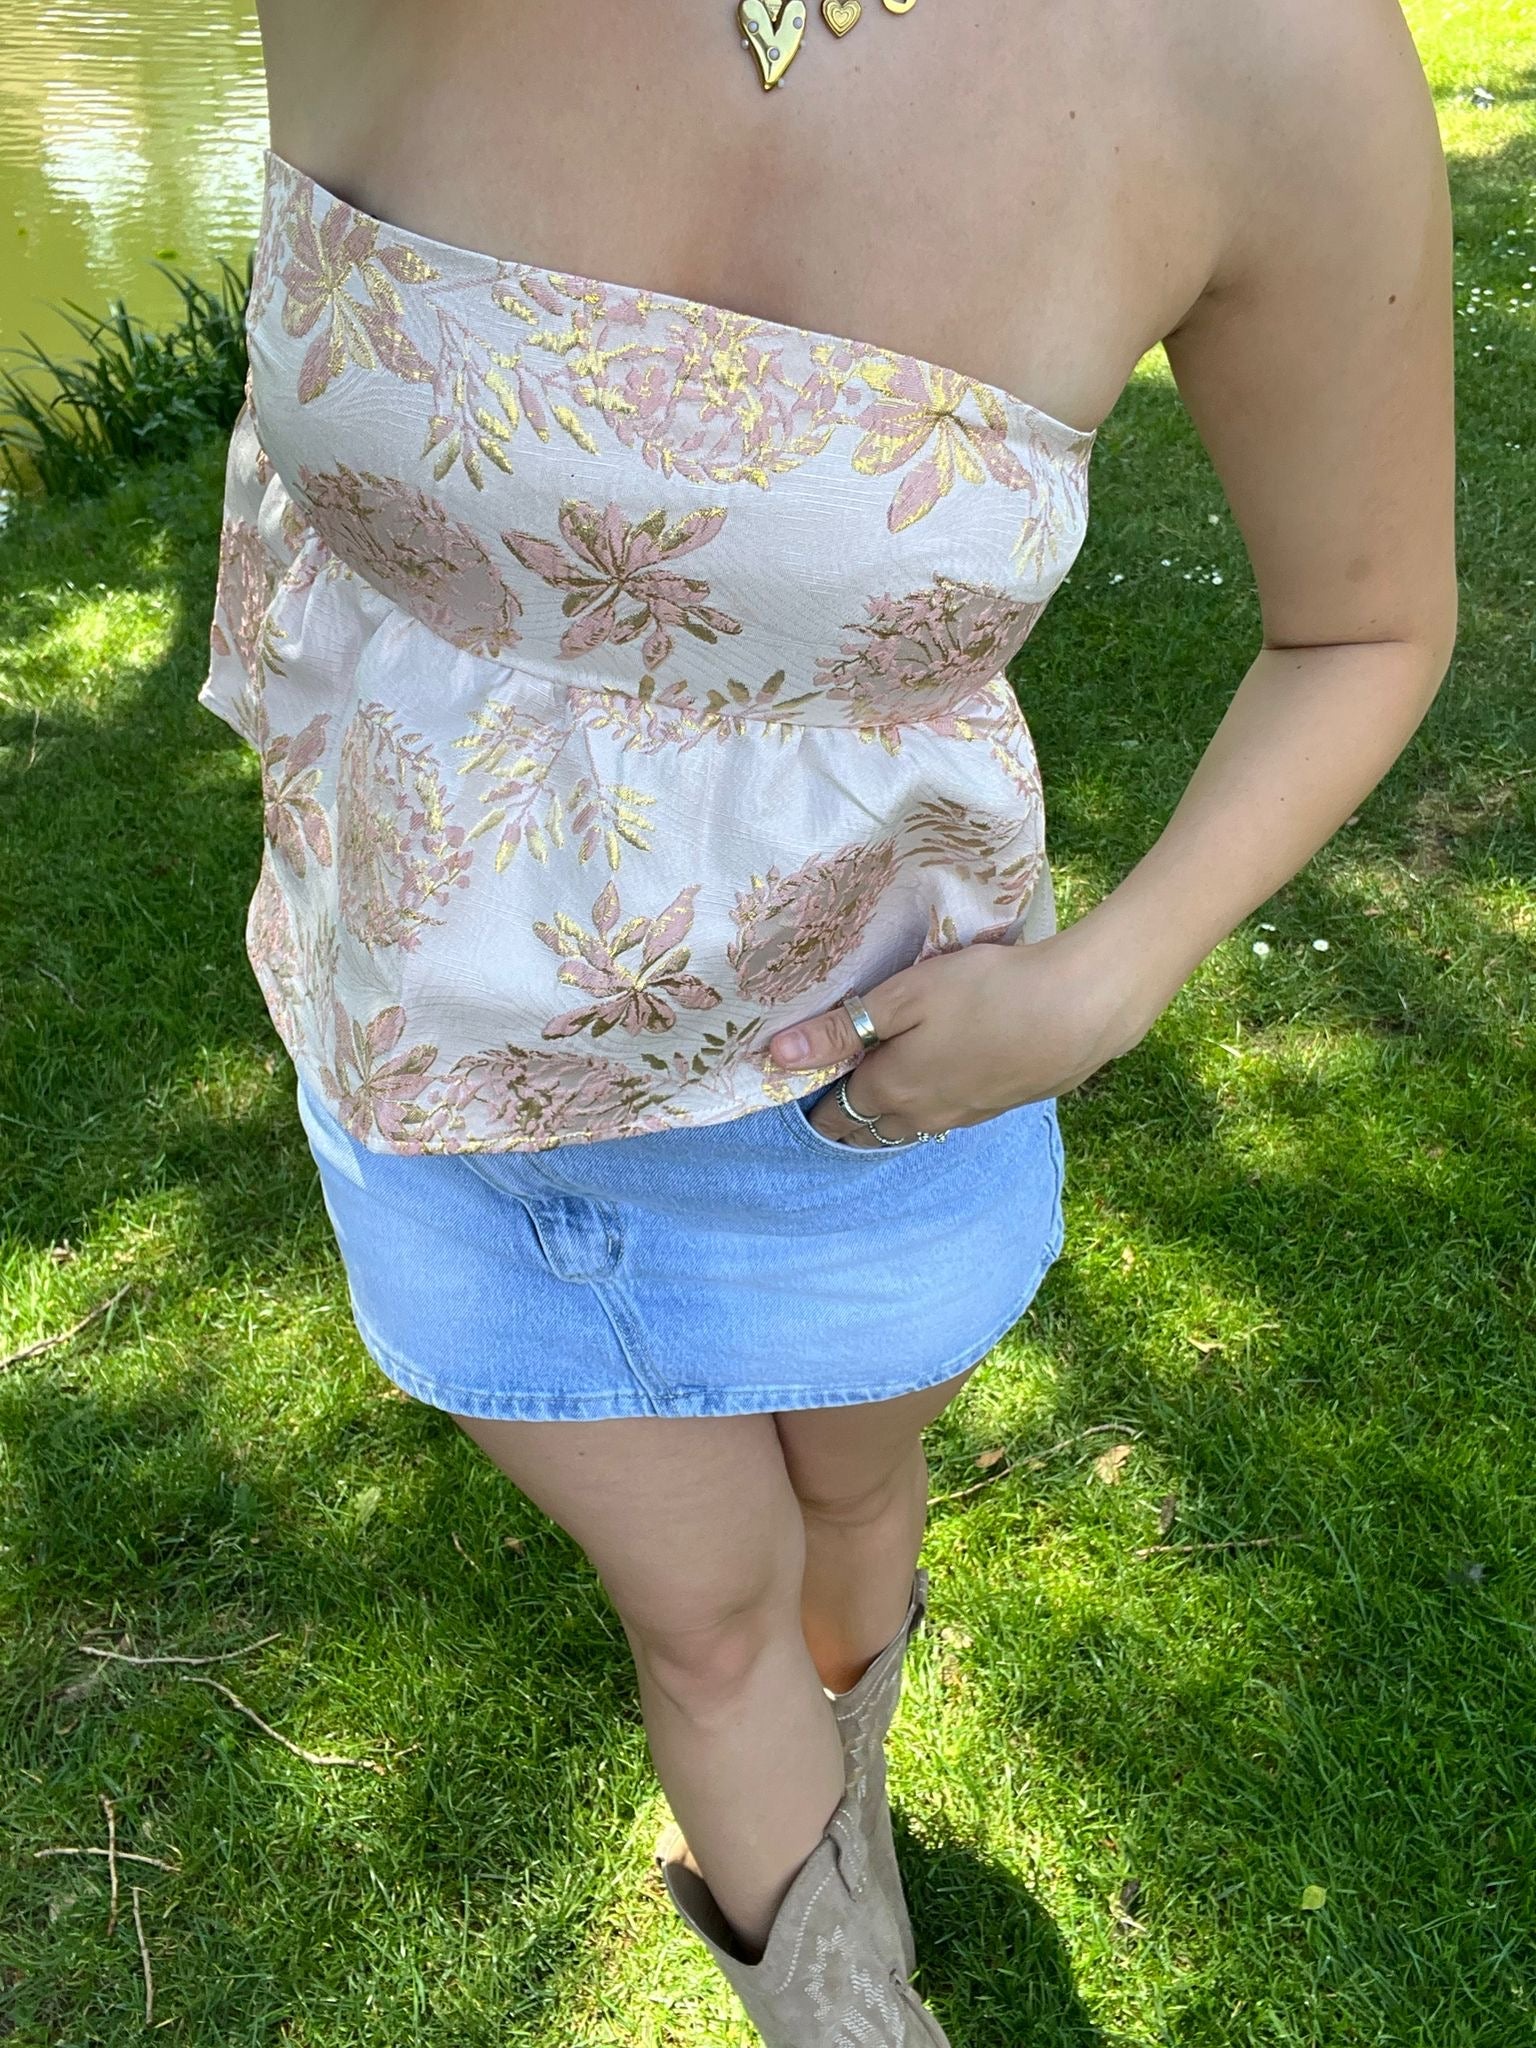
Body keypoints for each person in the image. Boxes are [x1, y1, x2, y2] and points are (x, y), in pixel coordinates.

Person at [203, 2, 1457, 2038]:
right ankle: (845, 1990)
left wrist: (1101, 985)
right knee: (704, 1619)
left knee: (856, 1505)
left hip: (875, 1083)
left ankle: (842, 1806)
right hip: (439, 1084)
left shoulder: (1258, 49)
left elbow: (1370, 623)